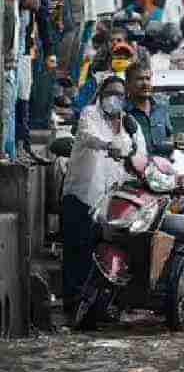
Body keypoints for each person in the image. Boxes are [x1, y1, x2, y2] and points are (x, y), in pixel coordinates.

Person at [61, 77, 146, 305]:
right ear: (100, 95)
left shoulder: (129, 125)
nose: (114, 99)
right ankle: (72, 301)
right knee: (76, 254)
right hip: (82, 196)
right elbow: (89, 137)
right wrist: (109, 145)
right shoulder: (90, 114)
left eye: (119, 95)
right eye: (110, 93)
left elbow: (140, 155)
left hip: (111, 204)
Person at [123, 62, 170, 153]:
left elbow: (168, 136)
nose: (145, 83)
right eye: (139, 79)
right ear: (128, 84)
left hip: (161, 164)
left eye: (148, 79)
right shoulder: (122, 111)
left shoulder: (161, 107)